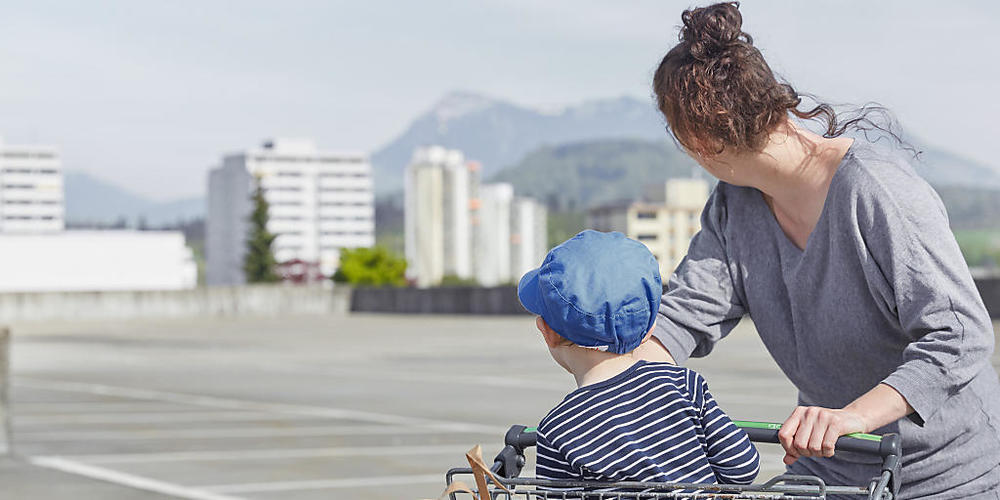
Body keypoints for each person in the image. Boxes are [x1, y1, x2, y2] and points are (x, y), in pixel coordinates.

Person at [637, 2, 1000, 498]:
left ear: (698, 139)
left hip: (952, 475)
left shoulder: (875, 190)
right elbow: (683, 318)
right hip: (830, 473)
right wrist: (612, 381)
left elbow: (959, 335)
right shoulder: (733, 207)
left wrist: (853, 417)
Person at [517, 230, 760, 487]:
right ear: (649, 329)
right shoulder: (683, 385)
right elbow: (742, 468)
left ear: (548, 333)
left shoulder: (558, 429)